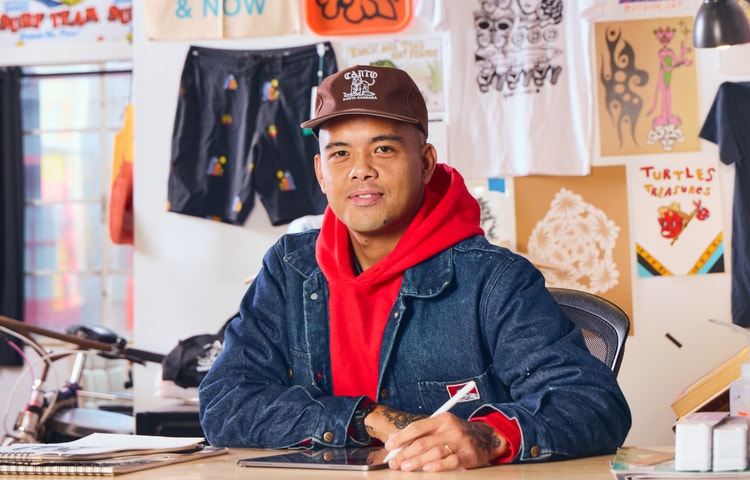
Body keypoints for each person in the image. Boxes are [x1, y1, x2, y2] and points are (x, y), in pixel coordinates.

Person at [198, 64, 631, 472]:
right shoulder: (289, 268)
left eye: (383, 149)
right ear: (321, 172)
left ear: (425, 163)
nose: (361, 170)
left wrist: (486, 436)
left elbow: (593, 405)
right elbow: (225, 403)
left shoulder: (495, 280)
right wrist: (365, 417)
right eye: (340, 153)